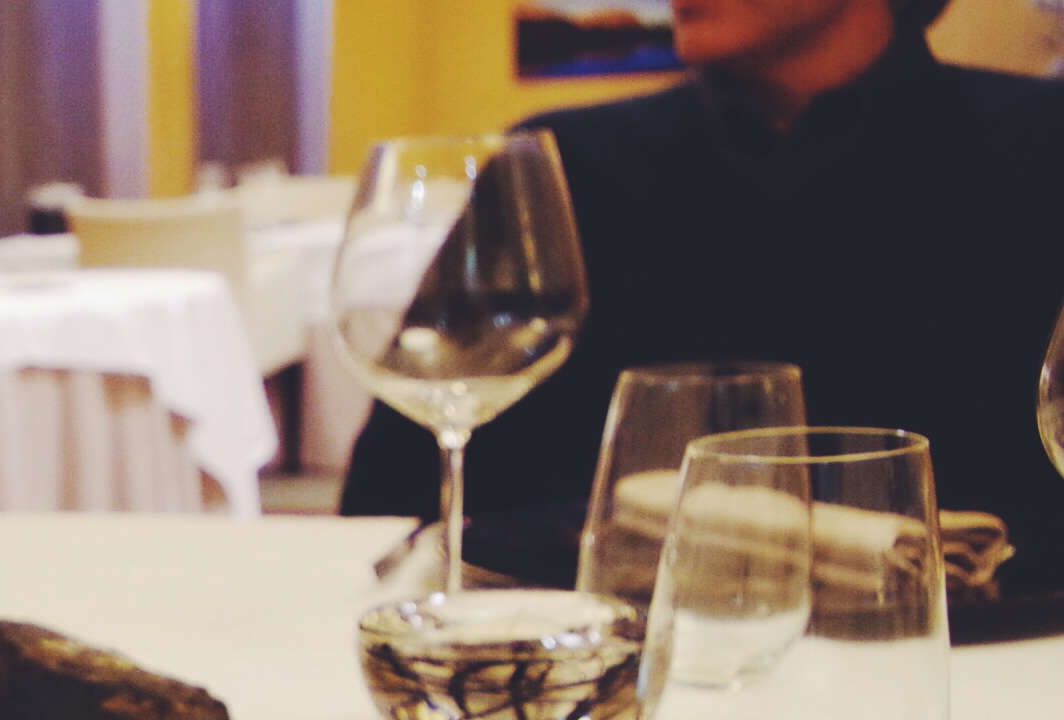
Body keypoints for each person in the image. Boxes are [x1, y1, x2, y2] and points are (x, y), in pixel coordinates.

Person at [338, 0, 1064, 593]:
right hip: (610, 675)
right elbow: (398, 489)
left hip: (1004, 667)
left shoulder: (1039, 150)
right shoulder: (564, 167)